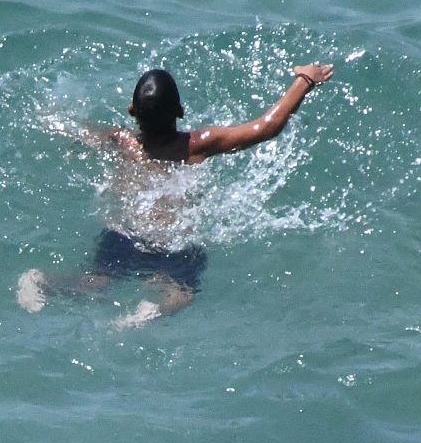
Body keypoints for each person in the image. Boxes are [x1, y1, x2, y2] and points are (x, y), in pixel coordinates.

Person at [18, 62, 336, 328]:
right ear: (180, 111)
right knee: (181, 294)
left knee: (96, 283)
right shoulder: (197, 146)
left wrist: (68, 135)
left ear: (132, 111)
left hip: (125, 234)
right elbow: (267, 126)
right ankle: (148, 314)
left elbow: (80, 135)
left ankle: (42, 282)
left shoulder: (121, 141)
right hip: (173, 242)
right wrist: (305, 80)